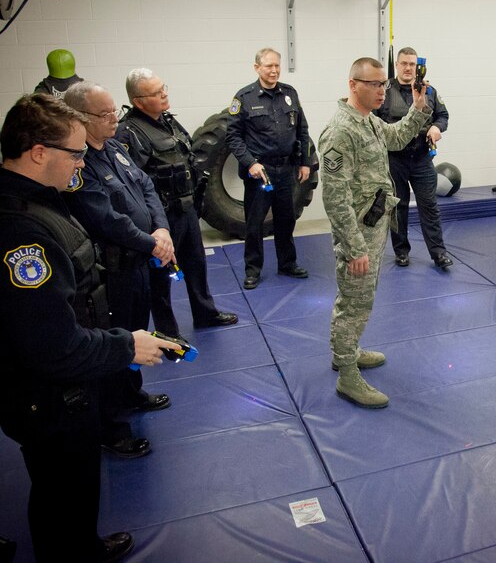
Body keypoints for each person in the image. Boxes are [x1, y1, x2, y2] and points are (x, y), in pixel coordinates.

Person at [0, 93, 179, 562]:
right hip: (52, 396)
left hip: (67, 383)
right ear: (39, 152)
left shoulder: (42, 201)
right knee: (63, 488)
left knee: (71, 491)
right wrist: (128, 346)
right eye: (75, 154)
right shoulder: (22, 230)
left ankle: (80, 544)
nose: (81, 164)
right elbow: (52, 345)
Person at [63, 81, 173, 458]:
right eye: (105, 113)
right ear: (81, 118)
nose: (114, 118)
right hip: (108, 272)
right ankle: (110, 426)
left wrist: (160, 227)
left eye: (114, 111)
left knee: (135, 332)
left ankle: (132, 393)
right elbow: (105, 219)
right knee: (112, 342)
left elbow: (146, 187)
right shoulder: (78, 165)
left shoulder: (113, 147)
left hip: (137, 263)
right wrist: (152, 242)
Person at [319, 57, 431, 408]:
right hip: (358, 233)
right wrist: (354, 249)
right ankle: (348, 377)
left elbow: (397, 137)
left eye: (383, 84)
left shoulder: (367, 121)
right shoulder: (341, 131)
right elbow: (335, 198)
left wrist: (417, 108)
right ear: (353, 85)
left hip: (374, 224)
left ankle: (346, 351)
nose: (382, 90)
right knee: (355, 300)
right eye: (373, 84)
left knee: (360, 297)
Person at [116, 68, 238, 337]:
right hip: (159, 218)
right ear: (138, 101)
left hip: (186, 210)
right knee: (160, 277)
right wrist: (153, 225)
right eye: (156, 93)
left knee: (196, 264)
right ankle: (167, 332)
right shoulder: (128, 133)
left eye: (164, 88)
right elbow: (133, 184)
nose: (164, 95)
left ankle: (205, 313)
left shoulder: (168, 122)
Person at [226, 47, 313, 289]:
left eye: (277, 65)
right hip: (260, 173)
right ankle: (253, 270)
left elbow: (302, 130)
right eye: (268, 66)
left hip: (285, 170)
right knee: (254, 224)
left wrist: (305, 162)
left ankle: (287, 263)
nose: (274, 71)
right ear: (257, 68)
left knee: (286, 220)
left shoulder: (289, 94)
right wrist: (250, 163)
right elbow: (233, 137)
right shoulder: (243, 98)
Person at [374, 46, 453, 269]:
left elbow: (444, 116)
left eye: (412, 64)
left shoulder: (429, 91)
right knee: (397, 207)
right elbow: (373, 120)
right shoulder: (384, 90)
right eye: (404, 63)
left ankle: (438, 253)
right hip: (394, 160)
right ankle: (401, 252)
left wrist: (437, 127)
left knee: (430, 207)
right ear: (397, 65)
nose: (408, 68)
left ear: (417, 67)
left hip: (421, 158)